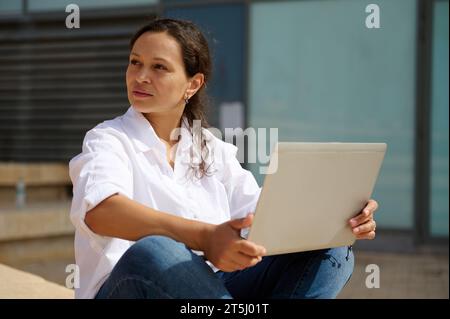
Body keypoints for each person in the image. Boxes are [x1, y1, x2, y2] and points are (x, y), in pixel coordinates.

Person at [69, 18, 378, 299]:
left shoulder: (213, 150)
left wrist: (341, 217)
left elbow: (263, 220)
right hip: (127, 290)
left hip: (211, 291)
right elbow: (101, 211)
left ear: (193, 84)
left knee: (329, 246)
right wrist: (205, 237)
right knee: (156, 249)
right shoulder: (108, 139)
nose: (141, 76)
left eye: (158, 67)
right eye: (135, 63)